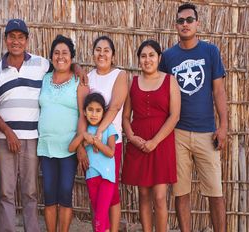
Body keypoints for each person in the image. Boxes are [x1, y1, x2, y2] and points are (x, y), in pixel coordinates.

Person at [0, 19, 86, 232]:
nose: (16, 41)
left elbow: (63, 65)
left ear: (27, 40)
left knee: (30, 191)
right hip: (6, 140)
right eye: (12, 37)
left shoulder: (41, 64)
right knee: (6, 192)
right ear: (5, 40)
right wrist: (7, 132)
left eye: (20, 37)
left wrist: (77, 66)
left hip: (32, 139)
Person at [159, 3, 228, 232]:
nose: (185, 24)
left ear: (197, 23)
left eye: (189, 20)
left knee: (215, 192)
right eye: (181, 21)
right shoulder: (168, 57)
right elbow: (160, 92)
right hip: (177, 134)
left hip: (207, 132)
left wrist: (224, 126)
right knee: (181, 193)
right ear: (175, 25)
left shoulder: (210, 52)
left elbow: (218, 91)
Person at [121, 40, 181, 232]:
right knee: (144, 194)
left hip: (161, 143)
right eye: (143, 56)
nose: (148, 60)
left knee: (160, 196)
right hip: (138, 144)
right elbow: (125, 116)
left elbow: (175, 116)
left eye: (151, 55)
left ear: (159, 58)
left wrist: (155, 141)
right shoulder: (133, 82)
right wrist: (131, 137)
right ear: (139, 60)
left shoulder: (170, 81)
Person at [37, 35, 88, 232]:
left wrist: (80, 143)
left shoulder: (79, 80)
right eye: (56, 53)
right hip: (46, 146)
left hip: (70, 147)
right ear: (51, 58)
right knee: (49, 194)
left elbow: (83, 115)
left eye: (65, 53)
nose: (60, 57)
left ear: (72, 57)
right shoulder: (44, 79)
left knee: (65, 193)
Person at [77, 35, 128, 232]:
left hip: (109, 141)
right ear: (93, 53)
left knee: (112, 192)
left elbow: (115, 106)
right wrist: (82, 143)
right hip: (90, 142)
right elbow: (81, 113)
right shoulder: (87, 78)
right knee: (94, 192)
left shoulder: (120, 75)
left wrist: (98, 134)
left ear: (113, 55)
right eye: (98, 49)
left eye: (106, 50)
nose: (102, 54)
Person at [69, 93, 118, 232]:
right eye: (90, 110)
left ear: (104, 112)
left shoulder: (108, 128)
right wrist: (84, 137)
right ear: (84, 112)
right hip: (91, 177)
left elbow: (110, 152)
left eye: (98, 110)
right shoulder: (84, 131)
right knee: (98, 214)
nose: (94, 114)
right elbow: (71, 148)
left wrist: (95, 141)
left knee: (100, 216)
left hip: (106, 178)